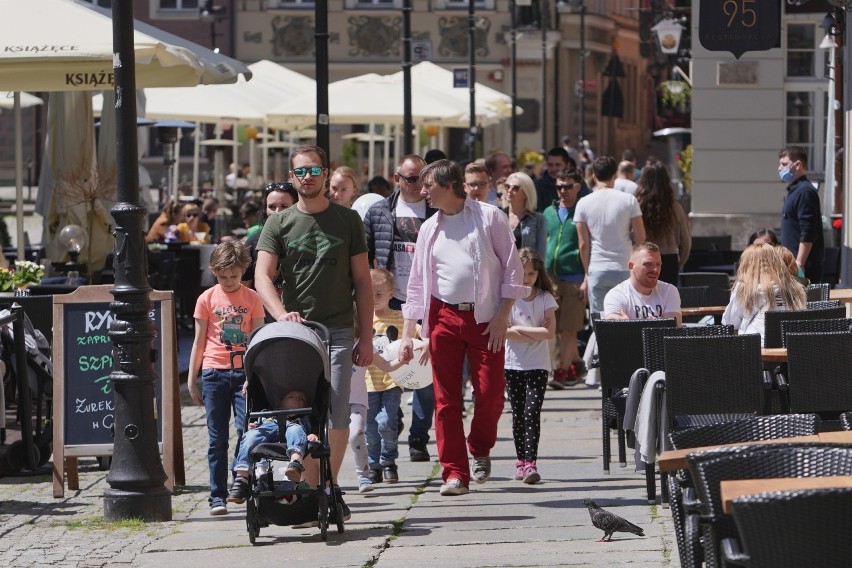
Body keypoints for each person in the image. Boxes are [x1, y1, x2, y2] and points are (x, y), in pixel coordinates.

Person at [255, 144, 373, 523]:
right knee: (299, 410)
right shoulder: (279, 222)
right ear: (292, 177)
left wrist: (366, 337)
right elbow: (262, 277)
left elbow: (363, 282)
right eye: (300, 172)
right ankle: (305, 492)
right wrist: (280, 316)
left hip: (337, 329)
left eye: (314, 171)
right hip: (296, 335)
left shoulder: (348, 220)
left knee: (337, 411)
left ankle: (328, 486)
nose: (307, 177)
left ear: (326, 173)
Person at [399, 159, 528, 497]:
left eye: (428, 185)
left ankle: (479, 445)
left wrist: (503, 315)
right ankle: (454, 472)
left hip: (487, 319)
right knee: (446, 399)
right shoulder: (429, 228)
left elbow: (513, 270)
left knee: (490, 395)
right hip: (443, 317)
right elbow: (416, 283)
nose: (422, 191)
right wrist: (409, 330)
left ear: (449, 186)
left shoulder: (489, 217)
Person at [362, 154, 437, 462]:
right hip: (392, 300)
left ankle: (418, 437)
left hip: (429, 300)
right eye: (410, 178)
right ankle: (393, 424)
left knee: (424, 369)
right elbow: (365, 254)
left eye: (422, 178)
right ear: (397, 179)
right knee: (390, 365)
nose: (417, 184)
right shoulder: (380, 211)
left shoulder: (438, 209)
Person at [187, 240, 266, 515]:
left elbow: (258, 341)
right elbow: (198, 341)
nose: (230, 281)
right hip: (214, 371)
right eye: (223, 277)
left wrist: (254, 375)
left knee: (247, 431)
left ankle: (240, 482)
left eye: (235, 275)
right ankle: (216, 495)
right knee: (216, 438)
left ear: (244, 269)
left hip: (244, 374)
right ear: (213, 271)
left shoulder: (253, 298)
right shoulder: (206, 299)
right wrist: (192, 378)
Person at [504, 248, 557, 485]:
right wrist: (532, 333)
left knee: (531, 412)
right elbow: (504, 332)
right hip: (513, 364)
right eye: (522, 273)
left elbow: (549, 332)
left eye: (531, 274)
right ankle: (520, 460)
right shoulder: (508, 299)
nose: (526, 279)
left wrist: (519, 330)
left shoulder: (545, 298)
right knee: (517, 414)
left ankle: (531, 463)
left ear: (538, 274)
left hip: (537, 364)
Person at [575, 155, 646, 314]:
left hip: (597, 268)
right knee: (626, 319)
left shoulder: (583, 203)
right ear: (615, 175)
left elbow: (583, 244)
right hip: (624, 267)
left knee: (600, 323)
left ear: (594, 176)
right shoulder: (629, 200)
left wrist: (587, 273)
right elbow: (641, 237)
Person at [226, 390, 319, 504]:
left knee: (296, 430)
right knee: (250, 436)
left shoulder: (306, 417)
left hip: (294, 429)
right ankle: (242, 478)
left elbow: (315, 429)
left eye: (302, 399)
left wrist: (314, 434)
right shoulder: (266, 413)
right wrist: (253, 426)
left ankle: (295, 463)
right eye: (291, 396)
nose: (297, 398)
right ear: (279, 403)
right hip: (270, 425)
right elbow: (257, 428)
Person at [543, 168, 589, 388]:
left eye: (568, 186)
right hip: (551, 278)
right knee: (558, 330)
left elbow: (587, 246)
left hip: (574, 278)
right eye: (559, 186)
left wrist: (587, 277)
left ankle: (561, 370)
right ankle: (576, 364)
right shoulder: (548, 213)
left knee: (569, 329)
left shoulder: (583, 212)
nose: (563, 191)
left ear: (577, 187)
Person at [364, 269, 408, 485]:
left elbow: (416, 336)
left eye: (378, 294)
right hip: (368, 382)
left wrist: (425, 342)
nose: (373, 300)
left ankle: (388, 461)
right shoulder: (362, 320)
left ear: (391, 293)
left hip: (392, 381)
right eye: (369, 294)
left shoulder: (399, 318)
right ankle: (374, 466)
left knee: (387, 422)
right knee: (370, 429)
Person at [722, 243, 806, 345]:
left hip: (754, 348)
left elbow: (730, 323)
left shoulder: (745, 288)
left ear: (746, 264)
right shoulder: (794, 287)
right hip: (793, 346)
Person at [634, 162, 691, 285]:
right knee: (666, 302)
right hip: (669, 260)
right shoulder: (676, 208)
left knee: (643, 301)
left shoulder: (636, 207)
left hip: (643, 259)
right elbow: (686, 242)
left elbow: (630, 236)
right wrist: (678, 263)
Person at [603, 242, 682, 326]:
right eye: (648, 264)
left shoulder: (669, 291)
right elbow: (611, 326)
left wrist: (629, 326)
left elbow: (671, 327)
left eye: (658, 264)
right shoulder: (617, 295)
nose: (655, 270)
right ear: (631, 266)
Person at [778, 146, 824, 283]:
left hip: (803, 267)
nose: (780, 168)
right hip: (790, 263)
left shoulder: (805, 191)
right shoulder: (794, 191)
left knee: (803, 304)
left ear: (797, 165)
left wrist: (799, 263)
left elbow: (808, 230)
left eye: (784, 164)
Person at [242, 183, 298, 290]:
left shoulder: (307, 240)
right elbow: (244, 291)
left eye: (284, 206)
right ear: (265, 209)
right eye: (272, 207)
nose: (277, 212)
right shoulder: (253, 243)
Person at [504, 171, 547, 259]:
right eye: (507, 187)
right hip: (502, 271)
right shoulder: (498, 216)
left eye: (515, 188)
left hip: (526, 270)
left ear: (526, 193)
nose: (509, 190)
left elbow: (541, 255)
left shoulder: (538, 220)